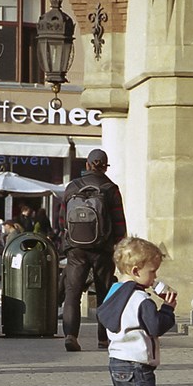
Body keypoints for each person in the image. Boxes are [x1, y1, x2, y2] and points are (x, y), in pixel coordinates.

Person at [96, 237, 177, 386]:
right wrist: (168, 310)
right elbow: (156, 327)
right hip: (137, 362)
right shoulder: (141, 299)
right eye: (152, 272)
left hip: (117, 360)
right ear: (135, 270)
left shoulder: (114, 292)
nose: (155, 278)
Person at [61, 148, 127, 352]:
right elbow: (119, 222)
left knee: (72, 293)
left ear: (87, 164)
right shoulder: (110, 188)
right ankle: (103, 339)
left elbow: (62, 220)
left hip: (76, 248)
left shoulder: (72, 186)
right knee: (104, 293)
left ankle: (71, 335)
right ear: (105, 166)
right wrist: (118, 245)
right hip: (102, 248)